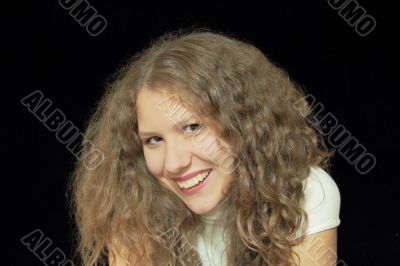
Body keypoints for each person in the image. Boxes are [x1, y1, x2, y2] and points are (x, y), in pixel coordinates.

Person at [70, 28, 341, 266]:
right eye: (154, 140)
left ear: (244, 125)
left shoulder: (305, 194)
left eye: (193, 128)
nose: (174, 163)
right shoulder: (134, 203)